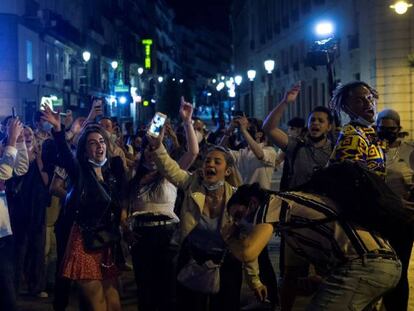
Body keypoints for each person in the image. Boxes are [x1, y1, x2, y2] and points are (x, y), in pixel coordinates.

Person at [224, 183, 402, 311]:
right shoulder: (291, 226)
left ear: (253, 203)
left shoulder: (273, 203)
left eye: (239, 215)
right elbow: (290, 279)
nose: (239, 224)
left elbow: (248, 252)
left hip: (365, 265)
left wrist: (229, 238)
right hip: (381, 265)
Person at [147, 131, 264, 311]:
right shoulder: (192, 184)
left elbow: (246, 242)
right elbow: (170, 169)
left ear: (228, 171)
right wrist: (157, 146)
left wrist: (254, 280)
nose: (210, 164)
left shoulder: (236, 198)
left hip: (226, 264)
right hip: (193, 259)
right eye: (208, 160)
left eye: (217, 162)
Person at [41, 104, 127, 311]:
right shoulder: (79, 171)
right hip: (85, 243)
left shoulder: (111, 173)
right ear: (85, 149)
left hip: (108, 243)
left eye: (101, 142)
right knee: (97, 303)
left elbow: (120, 204)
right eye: (92, 143)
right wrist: (58, 129)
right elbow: (63, 152)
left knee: (114, 303)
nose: (99, 146)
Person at [126, 98, 199, 311]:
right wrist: (126, 229)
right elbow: (127, 208)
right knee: (145, 290)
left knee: (166, 291)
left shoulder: (169, 174)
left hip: (167, 235)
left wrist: (187, 122)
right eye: (147, 152)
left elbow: (193, 153)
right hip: (141, 235)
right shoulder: (134, 177)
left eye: (154, 152)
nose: (151, 155)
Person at [376, 109, 414, 311]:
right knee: (376, 270)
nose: (386, 132)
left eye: (391, 129)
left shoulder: (410, 151)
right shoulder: (371, 149)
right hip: (375, 219)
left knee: (399, 271)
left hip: (403, 221)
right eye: (382, 129)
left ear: (398, 129)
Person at [263, 82, 334, 189]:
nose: (315, 123)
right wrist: (285, 102)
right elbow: (269, 128)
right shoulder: (296, 145)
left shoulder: (335, 151)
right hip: (296, 203)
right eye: (312, 120)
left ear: (328, 127)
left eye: (321, 121)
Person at [329, 81, 386, 177]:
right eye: (359, 101)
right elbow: (353, 181)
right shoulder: (354, 136)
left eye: (370, 98)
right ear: (346, 108)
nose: (368, 104)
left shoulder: (368, 132)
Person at [0, 117, 28, 311]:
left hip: (4, 234)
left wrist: (19, 141)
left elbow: (20, 168)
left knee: (8, 294)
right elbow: (3, 174)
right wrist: (11, 140)